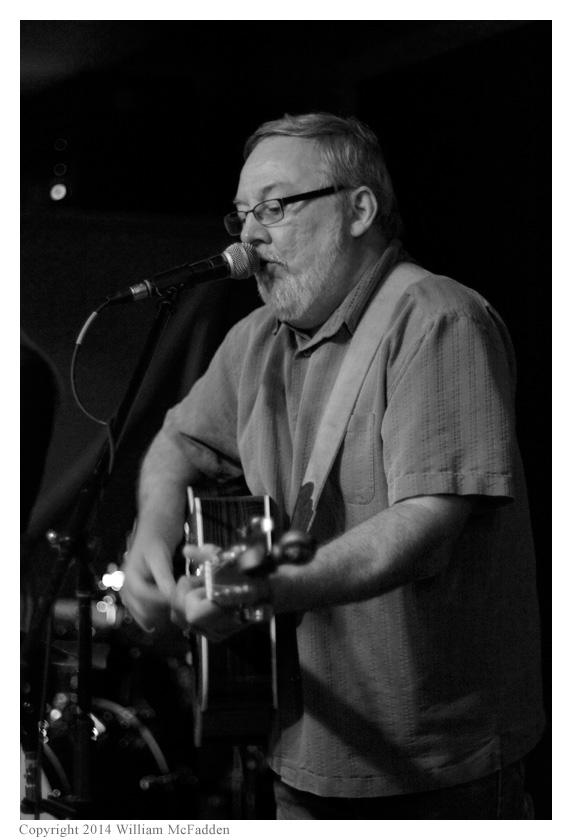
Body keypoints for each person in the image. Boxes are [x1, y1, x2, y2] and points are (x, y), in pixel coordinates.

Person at [121, 112, 545, 819]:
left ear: (359, 210)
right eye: (241, 213)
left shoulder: (439, 319)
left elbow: (426, 525)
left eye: (275, 207)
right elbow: (177, 442)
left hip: (432, 769)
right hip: (299, 748)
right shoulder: (256, 338)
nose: (248, 236)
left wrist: (265, 588)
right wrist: (152, 540)